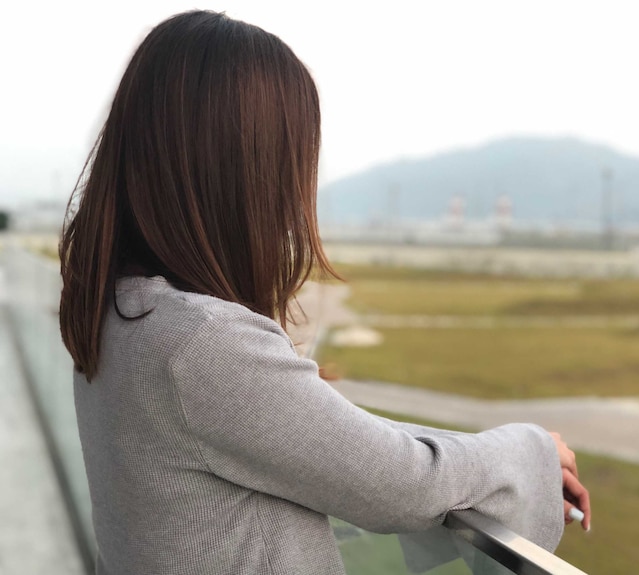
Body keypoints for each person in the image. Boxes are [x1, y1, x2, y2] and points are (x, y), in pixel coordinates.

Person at [58, 10, 590, 575]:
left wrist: (506, 457)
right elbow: (400, 482)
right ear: (243, 172)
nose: (294, 196)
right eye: (290, 162)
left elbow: (331, 440)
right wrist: (528, 450)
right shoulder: (197, 344)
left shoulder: (123, 313)